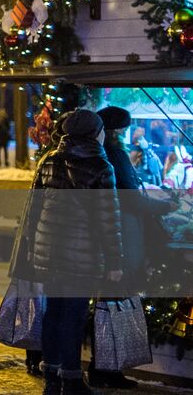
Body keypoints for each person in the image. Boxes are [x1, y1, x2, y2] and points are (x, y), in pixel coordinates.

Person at [10, 108, 122, 395]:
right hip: (80, 257)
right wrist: (114, 260)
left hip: (47, 253)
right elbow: (107, 219)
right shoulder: (99, 166)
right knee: (72, 316)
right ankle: (72, 379)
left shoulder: (50, 160)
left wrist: (31, 248)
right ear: (93, 133)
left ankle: (52, 377)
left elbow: (33, 209)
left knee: (53, 314)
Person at [92, 106, 170, 388]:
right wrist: (165, 206)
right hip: (123, 237)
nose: (127, 133)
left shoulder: (101, 154)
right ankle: (108, 369)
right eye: (123, 128)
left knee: (109, 303)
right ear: (116, 131)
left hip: (115, 237)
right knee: (115, 303)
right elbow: (132, 199)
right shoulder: (115, 156)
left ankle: (105, 367)